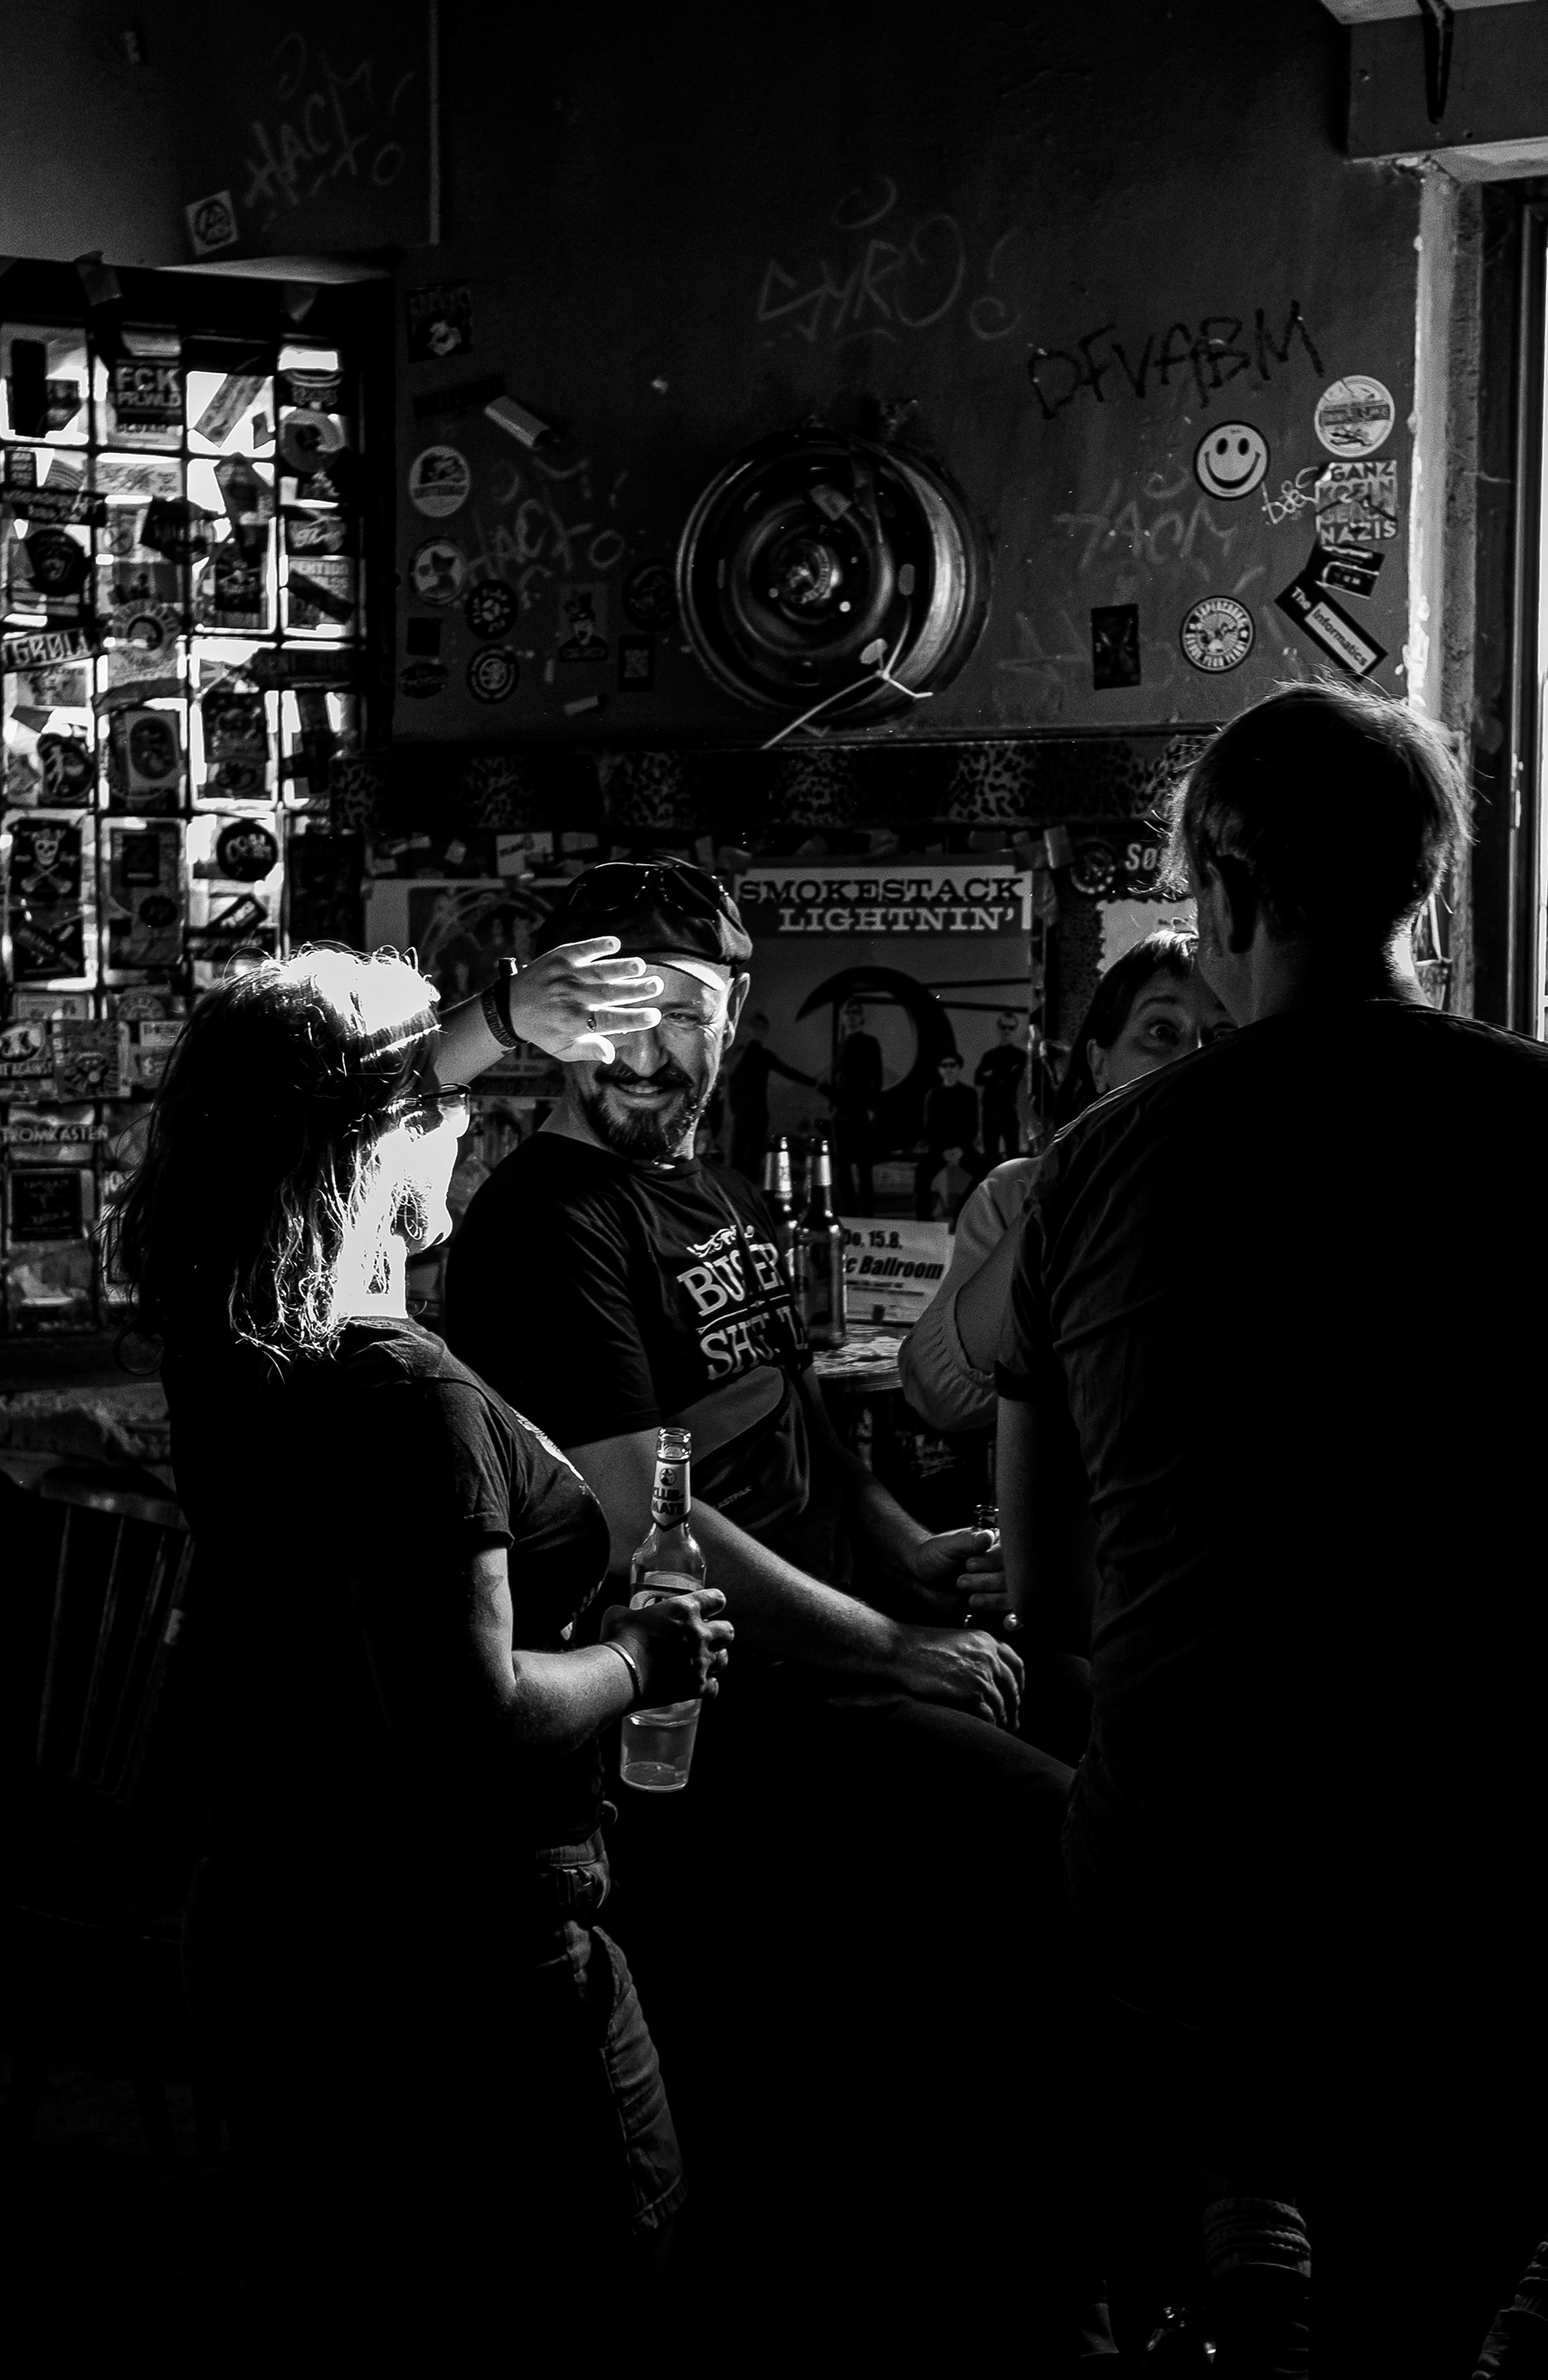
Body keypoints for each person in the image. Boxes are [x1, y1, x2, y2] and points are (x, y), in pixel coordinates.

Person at [444, 858, 1101, 2359]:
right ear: (554, 1024)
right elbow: (642, 1510)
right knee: (1068, 1836)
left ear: (735, 1018)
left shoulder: (716, 1193)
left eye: (684, 1008)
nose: (647, 1047)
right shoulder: (546, 1224)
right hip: (723, 1716)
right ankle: (1046, 2282)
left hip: (829, 1655)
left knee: (1104, 1737)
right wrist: (897, 1647)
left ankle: (1015, 2253)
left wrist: (908, 1554)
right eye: (614, 1009)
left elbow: (797, 1432)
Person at [996, 686, 1548, 2374]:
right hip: (1481, 1887)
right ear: (1425, 891)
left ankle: (1230, 2245)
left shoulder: (1094, 1168)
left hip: (1189, 1888)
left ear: (1225, 893)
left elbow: (1043, 1591)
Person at [111, 938, 731, 2344]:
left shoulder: (233, 1335)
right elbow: (464, 1715)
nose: (467, 1118)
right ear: (375, 1137)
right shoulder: (404, 1397)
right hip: (461, 1960)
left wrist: (488, 1020)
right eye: (441, 1099)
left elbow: (297, 1104)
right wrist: (641, 1657)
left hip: (282, 1924)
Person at [900, 929, 1228, 1437]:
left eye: (1223, 1038)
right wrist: (1071, 1183)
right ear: (1100, 1063)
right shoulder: (1016, 1194)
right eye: (1162, 1032)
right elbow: (940, 1394)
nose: (1191, 1061)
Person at [721, 1008, 815, 1178]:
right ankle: (740, 1190)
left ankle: (744, 1190)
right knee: (741, 1156)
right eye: (755, 1026)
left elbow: (788, 1072)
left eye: (761, 1027)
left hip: (753, 1114)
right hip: (745, 1114)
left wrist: (815, 1083)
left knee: (750, 1157)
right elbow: (728, 1075)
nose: (758, 1030)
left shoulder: (756, 1055)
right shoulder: (742, 1054)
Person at [827, 995, 882, 1213]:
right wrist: (833, 1107)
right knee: (842, 1165)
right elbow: (838, 1079)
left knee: (863, 1164)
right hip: (841, 1111)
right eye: (847, 1013)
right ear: (842, 1018)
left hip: (859, 1109)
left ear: (861, 1017)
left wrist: (870, 1107)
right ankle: (850, 1213)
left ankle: (867, 1213)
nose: (851, 1017)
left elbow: (877, 1077)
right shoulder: (841, 1045)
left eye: (855, 1012)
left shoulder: (870, 1042)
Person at [913, 1048, 981, 1218]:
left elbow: (972, 1126)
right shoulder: (933, 1094)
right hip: (939, 1148)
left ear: (959, 1068)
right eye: (944, 1066)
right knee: (921, 1174)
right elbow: (930, 1127)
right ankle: (924, 1221)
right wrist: (942, 1150)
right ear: (939, 1070)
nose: (948, 1069)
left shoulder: (969, 1093)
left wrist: (961, 1149)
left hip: (963, 1147)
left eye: (952, 1065)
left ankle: (960, 1212)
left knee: (984, 1173)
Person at [975, 1008, 1026, 1163]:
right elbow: (978, 1078)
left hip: (1008, 1108)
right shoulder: (989, 1055)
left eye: (1011, 1028)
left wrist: (992, 1075)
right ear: (999, 1028)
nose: (1007, 1031)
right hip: (990, 1109)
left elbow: (1012, 1081)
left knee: (1012, 1154)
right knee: (991, 1154)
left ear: (1015, 1030)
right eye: (1004, 1027)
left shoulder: (1020, 1056)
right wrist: (1004, 1074)